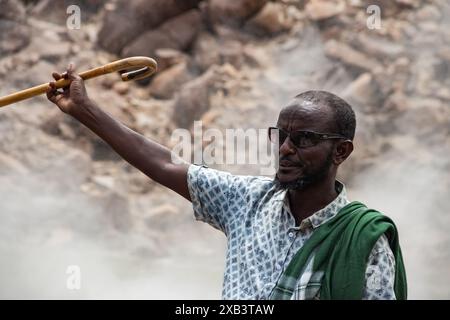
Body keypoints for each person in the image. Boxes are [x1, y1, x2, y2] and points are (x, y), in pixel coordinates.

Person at [46, 64, 407, 300]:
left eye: (304, 139)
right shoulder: (247, 201)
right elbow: (162, 163)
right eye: (279, 136)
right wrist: (83, 109)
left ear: (341, 152)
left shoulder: (364, 240)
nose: (285, 149)